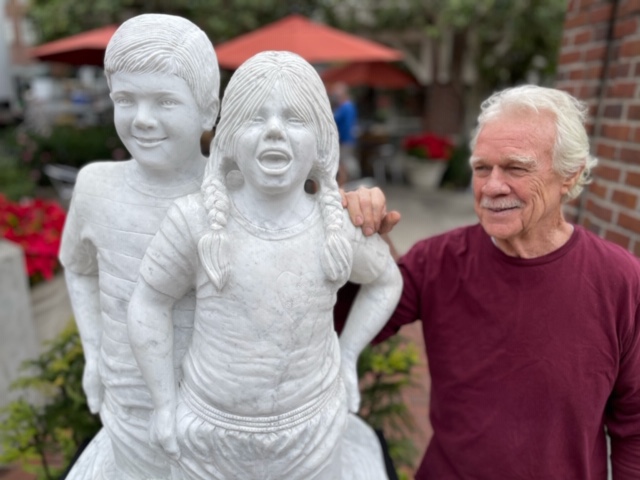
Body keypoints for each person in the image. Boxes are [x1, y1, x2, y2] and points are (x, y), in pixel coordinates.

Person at [127, 51, 401, 480]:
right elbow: (148, 302)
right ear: (231, 137)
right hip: (208, 436)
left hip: (314, 431)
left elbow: (386, 281)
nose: (274, 131)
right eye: (256, 118)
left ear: (320, 141)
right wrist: (163, 403)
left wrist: (347, 357)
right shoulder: (194, 219)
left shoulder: (336, 227)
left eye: (294, 119)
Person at [344, 85, 640, 479]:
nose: (492, 186)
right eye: (482, 168)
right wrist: (358, 249)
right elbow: (343, 326)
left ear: (569, 176)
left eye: (516, 168)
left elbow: (634, 427)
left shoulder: (621, 280)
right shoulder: (438, 261)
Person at [59, 14, 219, 479]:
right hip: (127, 410)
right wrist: (93, 353)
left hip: (217, 420)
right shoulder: (95, 187)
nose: (142, 120)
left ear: (208, 110)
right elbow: (80, 268)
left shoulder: (236, 193)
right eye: (125, 100)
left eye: (165, 101)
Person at [331, 82, 360, 185]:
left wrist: (340, 138)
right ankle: (344, 184)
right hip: (347, 140)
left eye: (337, 94)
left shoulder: (346, 107)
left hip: (345, 140)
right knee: (344, 163)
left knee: (343, 163)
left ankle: (343, 185)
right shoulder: (347, 107)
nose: (335, 97)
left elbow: (339, 122)